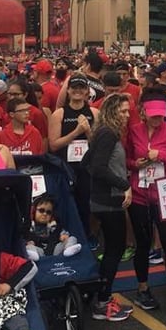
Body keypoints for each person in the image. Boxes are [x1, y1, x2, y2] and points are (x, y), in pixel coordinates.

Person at [126, 94, 166, 314]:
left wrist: (160, 155)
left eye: (160, 116)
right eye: (153, 116)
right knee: (143, 243)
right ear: (144, 113)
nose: (157, 120)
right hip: (140, 195)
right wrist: (136, 163)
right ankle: (143, 288)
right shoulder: (134, 131)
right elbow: (126, 160)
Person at [86, 92, 134, 322]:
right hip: (109, 201)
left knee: (111, 249)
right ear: (112, 111)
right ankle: (103, 302)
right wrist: (123, 184)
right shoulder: (108, 134)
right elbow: (97, 168)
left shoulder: (102, 132)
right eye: (123, 111)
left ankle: (100, 295)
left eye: (128, 111)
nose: (127, 115)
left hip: (101, 199)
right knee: (114, 249)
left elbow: (87, 162)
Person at [49, 74, 98, 234]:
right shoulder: (59, 114)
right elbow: (53, 145)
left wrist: (88, 131)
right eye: (74, 88)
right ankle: (66, 235)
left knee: (86, 204)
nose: (78, 91)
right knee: (66, 202)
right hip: (66, 167)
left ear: (87, 91)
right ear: (68, 90)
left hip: (87, 168)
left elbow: (98, 145)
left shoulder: (94, 113)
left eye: (81, 88)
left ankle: (87, 235)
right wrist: (76, 132)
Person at [26, 195, 82, 261]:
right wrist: (28, 242)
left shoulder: (55, 226)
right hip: (39, 252)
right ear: (34, 211)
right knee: (28, 247)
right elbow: (24, 238)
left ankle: (69, 249)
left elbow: (63, 234)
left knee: (72, 238)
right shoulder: (29, 227)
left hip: (55, 251)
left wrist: (64, 237)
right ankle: (32, 255)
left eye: (48, 212)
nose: (45, 214)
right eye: (41, 210)